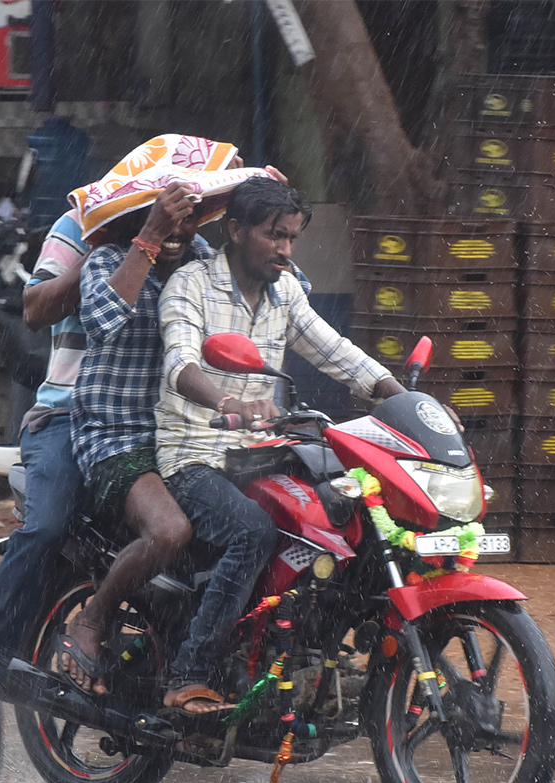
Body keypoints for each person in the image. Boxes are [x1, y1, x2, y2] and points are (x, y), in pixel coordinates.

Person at [0, 135, 246, 688]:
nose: (180, 229)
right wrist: (124, 241)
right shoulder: (80, 229)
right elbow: (34, 308)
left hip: (164, 426)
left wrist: (251, 217)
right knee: (47, 527)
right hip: (70, 416)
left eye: (188, 213)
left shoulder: (193, 251)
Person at [155, 176, 405, 714]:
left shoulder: (284, 290)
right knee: (252, 532)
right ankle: (189, 674)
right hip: (193, 453)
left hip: (261, 453)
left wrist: (404, 400)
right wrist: (229, 403)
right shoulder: (190, 285)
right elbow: (181, 363)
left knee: (343, 517)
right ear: (236, 230)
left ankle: (298, 649)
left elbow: (338, 353)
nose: (286, 249)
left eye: (292, 237)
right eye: (275, 236)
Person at [62, 153, 282, 694]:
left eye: (191, 217)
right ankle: (94, 616)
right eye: (170, 217)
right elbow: (102, 322)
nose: (183, 230)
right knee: (170, 530)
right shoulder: (107, 259)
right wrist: (150, 237)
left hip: (193, 434)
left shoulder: (203, 260)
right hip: (118, 437)